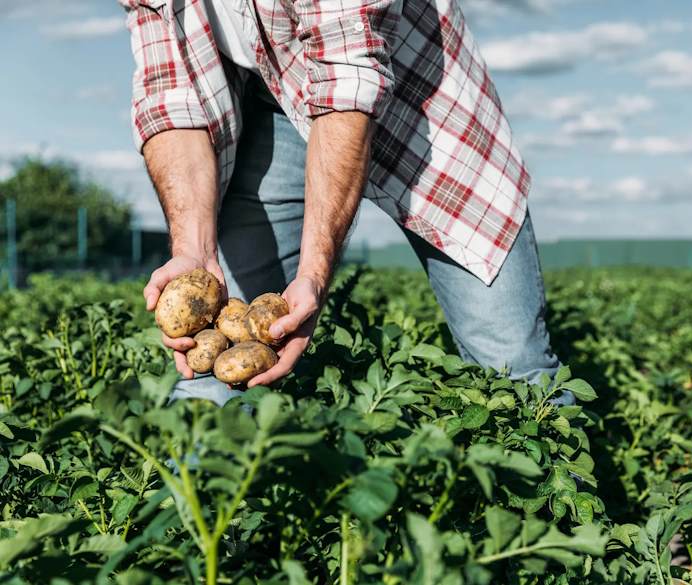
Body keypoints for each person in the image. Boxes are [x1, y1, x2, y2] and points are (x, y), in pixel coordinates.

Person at [118, 0, 563, 405]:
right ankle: (208, 488)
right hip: (268, 102)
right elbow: (170, 95)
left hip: (423, 99)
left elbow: (347, 76)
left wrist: (314, 274)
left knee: (514, 370)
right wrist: (193, 252)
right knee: (216, 365)